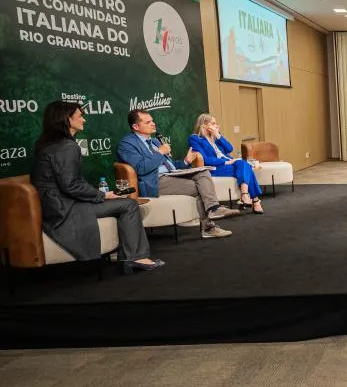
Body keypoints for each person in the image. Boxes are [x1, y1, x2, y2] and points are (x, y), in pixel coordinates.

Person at [30, 101, 164, 273]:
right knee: (129, 205)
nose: (84, 120)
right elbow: (70, 185)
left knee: (124, 203)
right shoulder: (66, 147)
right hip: (64, 209)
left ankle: (125, 254)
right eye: (80, 116)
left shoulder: (52, 144)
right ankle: (136, 257)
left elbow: (69, 183)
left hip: (56, 205)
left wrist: (100, 194)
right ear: (66, 119)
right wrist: (102, 196)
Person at [116, 109, 237, 239]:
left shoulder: (155, 142)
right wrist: (160, 153)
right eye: (148, 122)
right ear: (136, 126)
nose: (153, 123)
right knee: (199, 188)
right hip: (154, 181)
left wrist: (186, 161)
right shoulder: (127, 144)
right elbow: (140, 168)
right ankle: (208, 225)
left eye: (152, 120)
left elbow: (170, 165)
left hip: (171, 175)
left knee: (203, 172)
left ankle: (214, 208)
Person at [189, 114, 264, 214]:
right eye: (213, 123)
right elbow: (205, 159)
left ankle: (245, 195)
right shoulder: (195, 139)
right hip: (215, 168)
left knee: (243, 164)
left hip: (229, 164)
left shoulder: (216, 136)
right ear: (204, 125)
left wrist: (218, 135)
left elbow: (230, 148)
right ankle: (254, 200)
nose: (217, 126)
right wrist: (225, 162)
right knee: (247, 167)